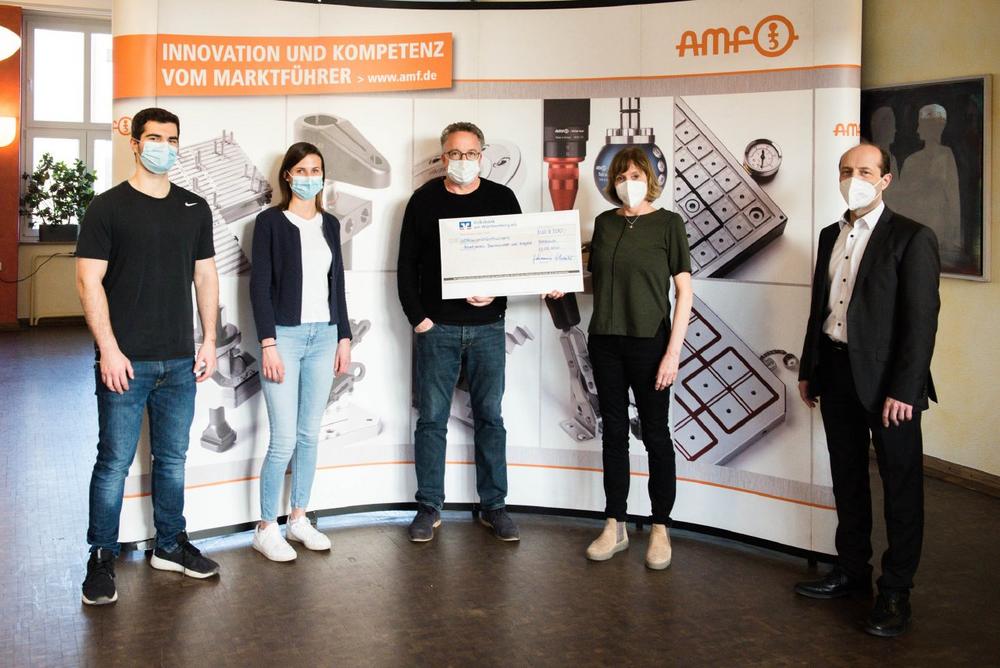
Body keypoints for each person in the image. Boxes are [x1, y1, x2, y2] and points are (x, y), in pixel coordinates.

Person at [76, 107, 221, 606]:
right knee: (114, 463)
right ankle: (101, 556)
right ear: (135, 144)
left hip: (179, 360)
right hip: (125, 361)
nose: (165, 147)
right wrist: (109, 350)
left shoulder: (194, 207)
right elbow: (88, 281)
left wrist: (209, 340)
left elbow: (205, 275)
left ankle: (170, 545)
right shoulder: (107, 207)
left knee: (172, 459)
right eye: (155, 138)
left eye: (172, 139)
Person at [796, 142, 940, 637]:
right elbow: (821, 309)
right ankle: (852, 571)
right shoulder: (828, 235)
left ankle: (896, 591)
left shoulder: (912, 237)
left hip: (890, 386)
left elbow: (921, 323)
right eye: (845, 170)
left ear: (885, 180)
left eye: (863, 171)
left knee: (901, 487)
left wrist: (905, 388)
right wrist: (809, 368)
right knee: (847, 478)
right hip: (835, 372)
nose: (852, 179)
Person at [396, 122, 524, 542]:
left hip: (488, 329)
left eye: (470, 154)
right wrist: (420, 319)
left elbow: (518, 259)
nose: (463, 161)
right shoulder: (423, 200)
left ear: (481, 157)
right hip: (438, 329)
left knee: (491, 419)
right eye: (455, 153)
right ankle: (429, 506)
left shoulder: (502, 199)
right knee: (432, 420)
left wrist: (497, 296)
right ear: (443, 157)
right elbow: (406, 266)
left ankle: (495, 506)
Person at [583, 146, 693, 570]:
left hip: (650, 343)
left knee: (656, 435)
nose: (628, 183)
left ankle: (661, 526)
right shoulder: (604, 224)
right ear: (612, 183)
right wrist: (557, 282)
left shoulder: (669, 224)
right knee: (613, 434)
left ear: (650, 180)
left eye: (636, 175)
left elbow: (684, 292)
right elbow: (596, 280)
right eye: (621, 176)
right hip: (605, 341)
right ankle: (615, 524)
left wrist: (672, 354)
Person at [249, 142, 352, 562]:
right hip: (285, 339)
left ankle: (298, 517)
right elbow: (259, 287)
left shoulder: (330, 224)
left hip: (324, 336)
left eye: (317, 170)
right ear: (288, 175)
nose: (310, 177)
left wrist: (344, 336)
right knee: (284, 439)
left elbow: (337, 284)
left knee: (310, 434)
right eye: (303, 170)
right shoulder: (270, 222)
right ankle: (265, 527)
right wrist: (268, 343)